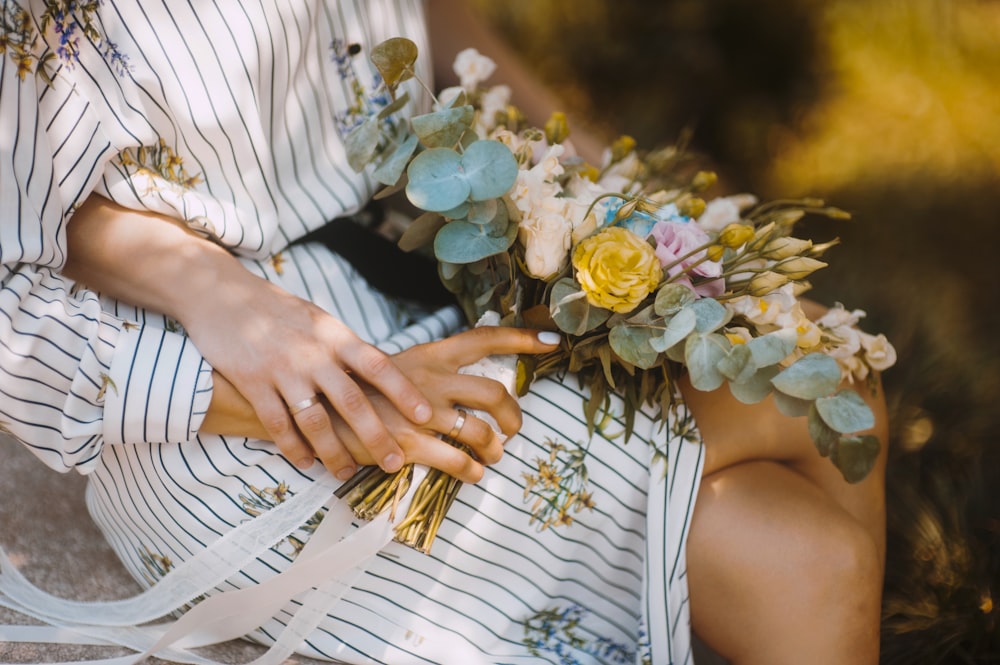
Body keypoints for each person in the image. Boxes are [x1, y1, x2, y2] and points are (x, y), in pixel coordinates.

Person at [0, 0, 888, 663]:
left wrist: (614, 196)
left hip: (422, 264)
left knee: (819, 469)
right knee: (817, 478)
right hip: (254, 400)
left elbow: (423, 15)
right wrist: (320, 389)